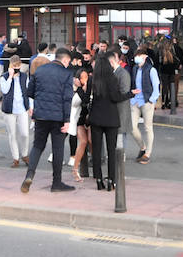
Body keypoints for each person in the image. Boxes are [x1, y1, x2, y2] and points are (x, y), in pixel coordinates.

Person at [21, 47, 77, 193]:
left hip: (40, 115)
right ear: (65, 60)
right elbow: (67, 99)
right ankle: (56, 182)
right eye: (68, 61)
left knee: (38, 146)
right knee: (57, 148)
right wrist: (67, 120)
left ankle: (29, 175)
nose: (68, 64)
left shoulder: (40, 70)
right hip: (58, 117)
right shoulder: (66, 74)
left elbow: (30, 92)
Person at [89, 53, 130, 189]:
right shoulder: (112, 79)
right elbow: (116, 98)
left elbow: (87, 100)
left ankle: (99, 180)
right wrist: (130, 94)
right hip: (111, 118)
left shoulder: (92, 80)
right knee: (111, 150)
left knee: (96, 150)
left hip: (95, 118)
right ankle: (111, 180)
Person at [0, 54, 32, 170]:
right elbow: (4, 90)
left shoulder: (24, 76)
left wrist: (30, 107)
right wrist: (10, 77)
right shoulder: (4, 77)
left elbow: (29, 92)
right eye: (14, 66)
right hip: (9, 110)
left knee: (25, 133)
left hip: (22, 108)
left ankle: (25, 154)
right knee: (12, 134)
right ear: (10, 66)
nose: (17, 67)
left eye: (18, 65)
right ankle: (16, 158)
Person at [129, 48, 160, 163]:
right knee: (132, 127)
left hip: (147, 101)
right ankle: (143, 147)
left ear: (145, 57)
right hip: (135, 101)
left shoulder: (151, 70)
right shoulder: (135, 68)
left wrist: (152, 99)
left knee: (148, 127)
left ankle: (147, 153)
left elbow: (156, 86)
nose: (137, 58)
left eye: (139, 55)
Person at [66, 65, 91, 181]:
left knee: (91, 141)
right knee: (83, 141)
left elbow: (88, 100)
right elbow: (81, 100)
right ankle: (75, 169)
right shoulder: (74, 89)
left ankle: (95, 165)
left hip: (90, 118)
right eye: (82, 77)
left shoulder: (89, 87)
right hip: (78, 119)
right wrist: (80, 89)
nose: (84, 80)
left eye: (86, 77)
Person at [156, 41, 178, 110]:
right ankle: (169, 102)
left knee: (164, 88)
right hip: (171, 73)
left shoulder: (161, 54)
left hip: (163, 73)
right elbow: (176, 62)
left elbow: (157, 63)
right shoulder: (172, 54)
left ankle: (163, 102)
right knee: (171, 88)